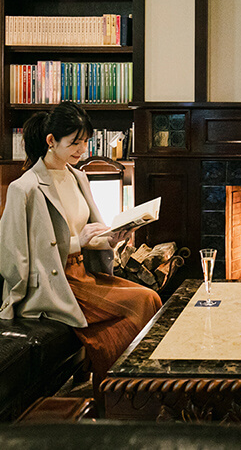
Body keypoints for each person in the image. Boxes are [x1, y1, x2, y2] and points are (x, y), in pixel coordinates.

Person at [0, 102, 162, 397]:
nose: (82, 149)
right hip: (55, 283)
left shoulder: (77, 176)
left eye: (85, 141)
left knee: (147, 300)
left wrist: (113, 238)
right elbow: (13, 254)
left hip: (83, 273)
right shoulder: (24, 188)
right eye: (75, 142)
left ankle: (125, 396)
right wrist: (78, 243)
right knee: (145, 300)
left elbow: (90, 235)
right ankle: (123, 398)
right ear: (51, 141)